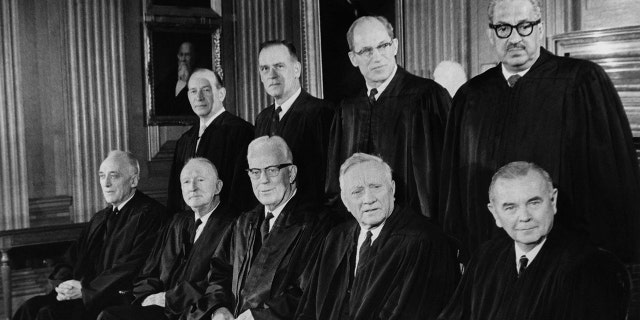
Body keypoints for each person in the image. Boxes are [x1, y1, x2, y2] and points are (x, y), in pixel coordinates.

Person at [439, 0, 640, 263]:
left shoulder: (581, 81)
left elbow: (609, 182)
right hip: (491, 255)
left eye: (524, 26)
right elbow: (455, 184)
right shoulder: (471, 96)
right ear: (490, 33)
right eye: (503, 28)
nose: (514, 38)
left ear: (540, 28)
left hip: (565, 258)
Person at [438, 161, 630, 320]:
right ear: (494, 213)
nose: (524, 217)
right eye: (510, 207)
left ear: (553, 201)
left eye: (534, 203)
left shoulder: (593, 266)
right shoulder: (486, 257)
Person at [297, 153, 460, 320]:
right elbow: (308, 309)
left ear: (393, 189)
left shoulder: (422, 242)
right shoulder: (336, 238)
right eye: (357, 191)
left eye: (376, 187)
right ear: (345, 201)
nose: (368, 199)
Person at [187, 136, 332, 320]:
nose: (263, 180)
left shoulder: (317, 224)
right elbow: (219, 273)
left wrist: (259, 317)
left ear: (291, 173)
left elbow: (309, 293)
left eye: (272, 170)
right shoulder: (243, 223)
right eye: (255, 171)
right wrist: (219, 307)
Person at [13, 151, 166, 320]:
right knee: (29, 308)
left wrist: (86, 290)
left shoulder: (150, 215)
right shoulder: (100, 218)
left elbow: (131, 267)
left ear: (134, 180)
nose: (106, 183)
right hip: (85, 293)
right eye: (102, 176)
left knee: (49, 314)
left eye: (114, 176)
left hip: (114, 297)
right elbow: (71, 257)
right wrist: (64, 284)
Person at [325, 15, 451, 220]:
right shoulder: (347, 110)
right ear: (353, 58)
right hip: (363, 230)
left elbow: (448, 176)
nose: (376, 57)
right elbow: (335, 184)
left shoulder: (428, 97)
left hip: (418, 228)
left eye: (382, 46)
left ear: (395, 46)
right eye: (366, 50)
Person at [97, 158, 237, 320]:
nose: (192, 187)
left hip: (195, 312)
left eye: (200, 180)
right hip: (160, 309)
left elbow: (221, 283)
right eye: (186, 182)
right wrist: (147, 296)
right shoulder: (178, 222)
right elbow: (149, 271)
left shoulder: (233, 225)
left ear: (218, 186)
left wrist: (170, 298)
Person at [254, 40, 334, 204]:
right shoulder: (262, 118)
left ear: (296, 69)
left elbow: (329, 178)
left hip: (311, 218)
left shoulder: (322, 112)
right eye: (265, 69)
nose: (272, 74)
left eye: (279, 66)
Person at [167, 68, 255, 215]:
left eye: (206, 90)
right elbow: (175, 195)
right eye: (193, 91)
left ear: (221, 94)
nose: (199, 97)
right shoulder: (185, 140)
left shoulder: (242, 132)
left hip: (225, 225)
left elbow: (242, 192)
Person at [156, 42, 198, 117]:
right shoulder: (169, 79)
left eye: (187, 55)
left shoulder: (200, 79)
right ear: (178, 56)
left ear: (193, 57)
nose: (183, 59)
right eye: (181, 55)